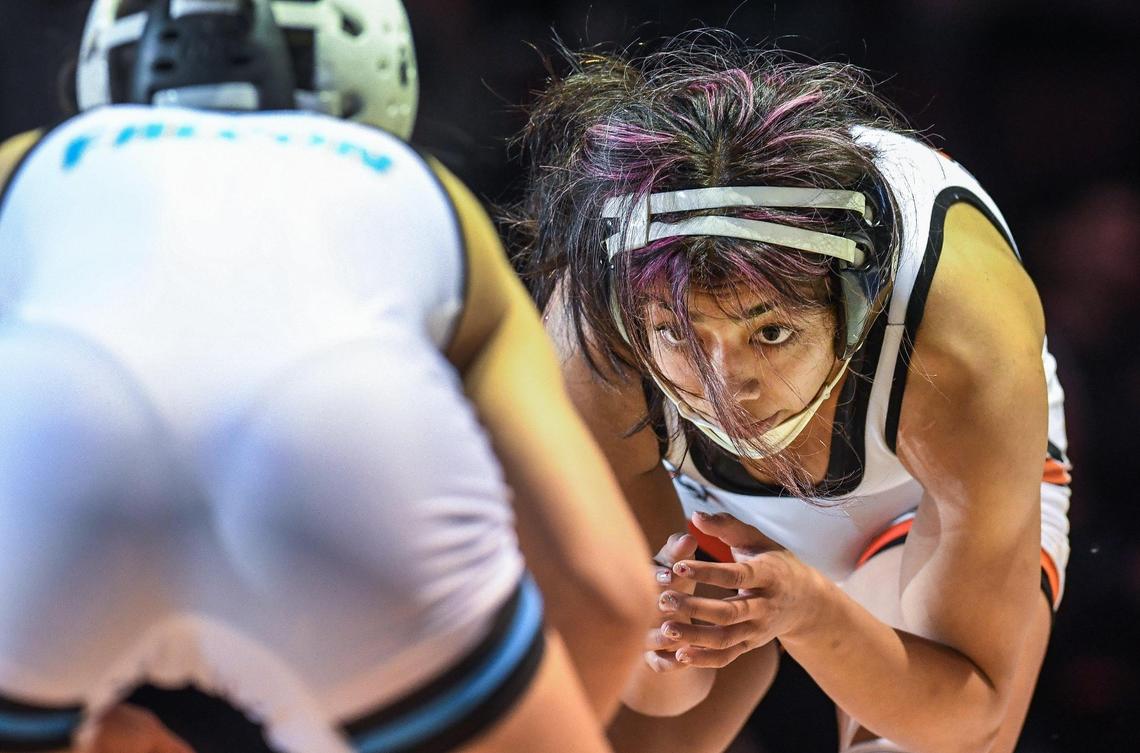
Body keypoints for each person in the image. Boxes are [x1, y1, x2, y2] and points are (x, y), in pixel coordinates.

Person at [0, 1, 655, 752]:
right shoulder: (423, 191)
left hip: (49, 464)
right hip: (346, 470)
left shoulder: (28, 166)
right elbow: (607, 595)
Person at [508, 33, 1072, 753]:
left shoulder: (963, 342)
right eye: (681, 334)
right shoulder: (592, 340)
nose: (725, 384)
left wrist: (809, 610)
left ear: (859, 308)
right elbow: (656, 690)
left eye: (769, 332)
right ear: (629, 314)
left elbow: (971, 712)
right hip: (699, 500)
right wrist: (668, 627)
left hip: (913, 488)